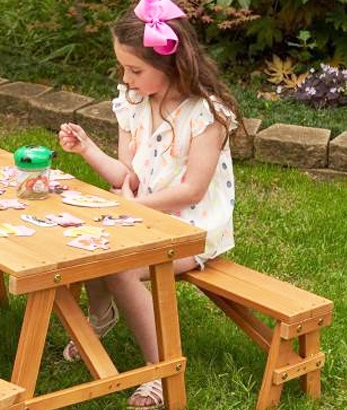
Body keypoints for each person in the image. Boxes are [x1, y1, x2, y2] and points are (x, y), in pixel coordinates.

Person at [57, 0, 242, 408]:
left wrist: (134, 210)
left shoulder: (206, 116)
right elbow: (128, 177)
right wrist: (87, 148)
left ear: (172, 64)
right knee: (86, 240)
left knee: (120, 265)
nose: (126, 78)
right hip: (143, 214)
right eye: (123, 68)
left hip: (192, 228)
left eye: (135, 70)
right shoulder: (135, 103)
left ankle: (160, 368)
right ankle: (101, 318)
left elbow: (192, 190)